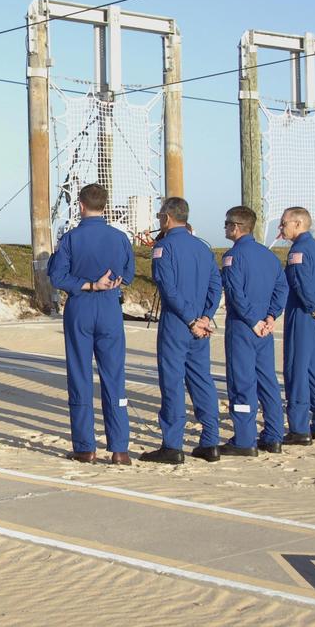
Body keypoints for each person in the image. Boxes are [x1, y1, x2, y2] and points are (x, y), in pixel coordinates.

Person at [47, 183, 135, 465]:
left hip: (81, 306)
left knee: (80, 376)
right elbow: (129, 273)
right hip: (110, 307)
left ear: (81, 206)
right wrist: (109, 281)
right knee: (114, 376)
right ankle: (120, 447)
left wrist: (87, 284)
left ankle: (86, 447)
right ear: (105, 206)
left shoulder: (70, 238)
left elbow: (58, 277)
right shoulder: (120, 238)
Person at [141, 197, 222, 464]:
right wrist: (205, 317)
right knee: (202, 380)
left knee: (172, 382)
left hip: (178, 323)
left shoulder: (163, 248)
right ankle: (210, 441)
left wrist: (190, 319)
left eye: (159, 216)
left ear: (167, 218)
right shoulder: (203, 248)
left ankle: (172, 444)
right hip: (200, 323)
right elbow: (215, 286)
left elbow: (168, 288)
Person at [219, 207, 287, 455]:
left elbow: (235, 293)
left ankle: (245, 439)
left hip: (243, 327)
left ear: (236, 227)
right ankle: (274, 434)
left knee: (241, 382)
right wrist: (271, 316)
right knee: (267, 380)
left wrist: (254, 320)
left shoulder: (232, 256)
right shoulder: (269, 256)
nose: (225, 228)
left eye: (227, 224)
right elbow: (282, 288)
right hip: (263, 327)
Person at [279, 207, 315, 446]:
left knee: (296, 371)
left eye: (284, 224)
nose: (281, 228)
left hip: (303, 315)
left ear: (298, 224)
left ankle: (299, 427)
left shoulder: (299, 251)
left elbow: (302, 286)